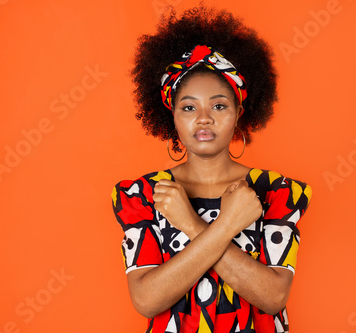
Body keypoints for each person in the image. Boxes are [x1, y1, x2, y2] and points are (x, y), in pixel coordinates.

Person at [111, 6, 312, 333]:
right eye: (188, 107)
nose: (203, 118)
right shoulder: (143, 196)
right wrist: (227, 223)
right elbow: (147, 299)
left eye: (219, 105)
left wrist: (189, 222)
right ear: (172, 116)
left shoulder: (277, 192)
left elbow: (273, 296)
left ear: (238, 112)